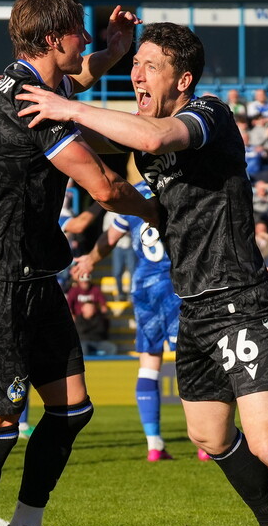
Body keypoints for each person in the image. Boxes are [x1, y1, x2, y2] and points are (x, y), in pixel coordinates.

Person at [18, 21, 268, 526]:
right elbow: (100, 139)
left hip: (240, 299)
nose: (137, 75)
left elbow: (153, 139)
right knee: (209, 436)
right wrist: (39, 98)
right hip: (192, 306)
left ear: (183, 79)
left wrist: (67, 107)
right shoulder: (142, 127)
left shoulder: (209, 114)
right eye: (135, 65)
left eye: (150, 66)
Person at [0, 0, 156, 526]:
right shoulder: (28, 103)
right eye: (80, 31)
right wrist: (164, 214)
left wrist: (114, 51)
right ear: (53, 37)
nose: (85, 39)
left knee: (72, 409)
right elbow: (105, 187)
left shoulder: (30, 83)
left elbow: (75, 80)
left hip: (33, 277)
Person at [71, 181, 201, 462]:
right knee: (193, 361)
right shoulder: (178, 186)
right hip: (176, 284)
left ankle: (154, 445)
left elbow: (110, 237)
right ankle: (206, 442)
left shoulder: (133, 192)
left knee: (149, 364)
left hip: (143, 286)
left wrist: (90, 260)